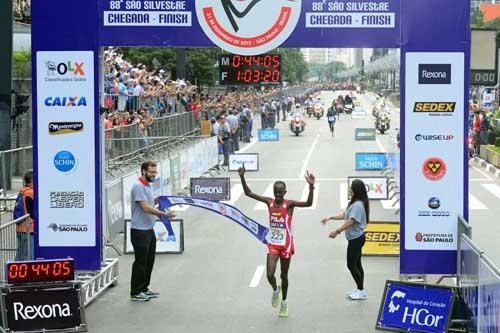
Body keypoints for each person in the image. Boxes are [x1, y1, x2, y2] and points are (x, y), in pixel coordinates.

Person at [238, 165, 315, 317]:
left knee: (284, 276)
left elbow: (309, 204)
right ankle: (275, 290)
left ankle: (284, 303)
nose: (278, 195)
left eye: (280, 192)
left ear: (285, 192)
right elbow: (248, 193)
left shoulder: (290, 204)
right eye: (276, 192)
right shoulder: (269, 202)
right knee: (269, 275)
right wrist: (242, 177)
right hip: (273, 244)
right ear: (273, 192)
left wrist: (311, 187)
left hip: (286, 245)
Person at [130, 161, 176, 302]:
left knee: (149, 261)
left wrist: (162, 212)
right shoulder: (138, 187)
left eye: (155, 172)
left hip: (149, 229)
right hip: (139, 231)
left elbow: (151, 207)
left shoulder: (148, 186)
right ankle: (136, 292)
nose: (154, 175)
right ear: (143, 171)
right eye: (151, 172)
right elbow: (145, 207)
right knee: (141, 262)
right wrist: (163, 215)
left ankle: (144, 288)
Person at [320, 179, 369, 300]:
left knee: (351, 265)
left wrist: (337, 231)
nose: (349, 189)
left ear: (355, 190)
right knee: (357, 264)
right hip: (355, 238)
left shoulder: (358, 205)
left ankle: (361, 290)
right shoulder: (355, 202)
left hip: (356, 239)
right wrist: (330, 217)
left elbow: (351, 221)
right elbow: (345, 215)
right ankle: (360, 289)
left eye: (351, 187)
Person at [14, 171, 34, 261]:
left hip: (20, 227)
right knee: (29, 256)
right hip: (29, 229)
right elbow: (33, 212)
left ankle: (12, 272)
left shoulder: (23, 191)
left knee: (21, 254)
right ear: (32, 180)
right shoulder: (30, 193)